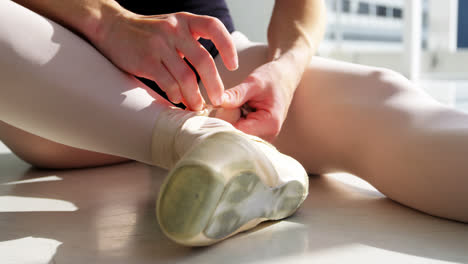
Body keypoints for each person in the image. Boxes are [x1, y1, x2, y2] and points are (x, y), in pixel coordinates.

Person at [0, 0, 467, 245]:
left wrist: (286, 66)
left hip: (209, 70)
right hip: (54, 80)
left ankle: (224, 147)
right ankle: (195, 139)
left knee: (383, 99)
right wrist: (110, 21)